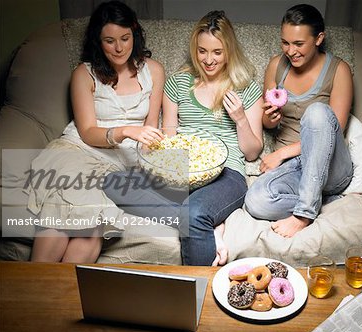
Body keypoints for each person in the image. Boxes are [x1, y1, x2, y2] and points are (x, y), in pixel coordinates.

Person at [104, 10, 264, 266]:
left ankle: (199, 225)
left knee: (194, 211)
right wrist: (160, 158)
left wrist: (241, 119)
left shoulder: (247, 88)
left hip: (227, 174)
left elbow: (252, 152)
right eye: (202, 51)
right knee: (114, 182)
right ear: (194, 49)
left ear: (229, 51)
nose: (209, 60)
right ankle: (210, 226)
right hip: (181, 169)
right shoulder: (178, 83)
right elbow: (169, 134)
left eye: (217, 52)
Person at [26, 0, 165, 263]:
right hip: (78, 152)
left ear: (134, 32)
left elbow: (150, 128)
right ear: (98, 41)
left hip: (116, 165)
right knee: (60, 219)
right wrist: (125, 131)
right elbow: (88, 131)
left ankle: (60, 303)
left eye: (125, 38)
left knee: (90, 235)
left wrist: (153, 162)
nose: (119, 48)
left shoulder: (154, 71)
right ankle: (32, 298)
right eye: (109, 41)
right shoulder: (84, 74)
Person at [244, 4, 354, 238]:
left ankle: (304, 214)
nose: (290, 51)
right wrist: (271, 118)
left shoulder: (339, 70)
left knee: (317, 112)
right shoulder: (276, 65)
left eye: (298, 44)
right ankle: (322, 200)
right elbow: (268, 123)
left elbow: (334, 133)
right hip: (295, 168)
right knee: (255, 201)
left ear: (319, 38)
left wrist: (281, 153)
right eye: (285, 42)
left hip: (330, 163)